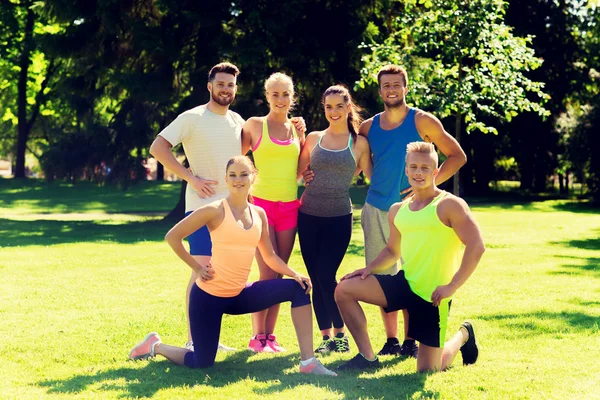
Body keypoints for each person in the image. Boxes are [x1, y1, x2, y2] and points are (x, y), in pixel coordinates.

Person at [129, 156, 336, 376]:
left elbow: (270, 256)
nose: (238, 180)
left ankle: (308, 363)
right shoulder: (215, 210)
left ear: (253, 177)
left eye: (244, 174)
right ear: (226, 180)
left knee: (299, 288)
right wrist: (197, 268)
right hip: (208, 297)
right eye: (233, 175)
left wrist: (295, 274)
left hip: (239, 294)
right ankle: (155, 345)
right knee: (202, 362)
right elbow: (173, 237)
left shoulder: (259, 214)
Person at [149, 63, 305, 352]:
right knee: (203, 270)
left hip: (234, 213)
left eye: (231, 85)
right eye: (220, 84)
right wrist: (190, 177)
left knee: (223, 275)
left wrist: (297, 126)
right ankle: (194, 339)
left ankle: (210, 339)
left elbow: (256, 155)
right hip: (201, 208)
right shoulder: (192, 117)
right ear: (210, 86)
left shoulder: (237, 121)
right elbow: (158, 148)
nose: (226, 89)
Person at [334, 142, 484, 372]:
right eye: (413, 167)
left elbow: (477, 246)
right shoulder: (398, 210)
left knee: (429, 369)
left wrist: (451, 286)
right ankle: (367, 358)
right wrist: (369, 269)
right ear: (406, 170)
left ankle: (463, 335)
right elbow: (393, 250)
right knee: (344, 289)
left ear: (435, 172)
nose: (418, 172)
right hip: (405, 284)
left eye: (425, 168)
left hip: (433, 296)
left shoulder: (449, 205)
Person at [358, 64, 466, 358]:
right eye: (385, 85)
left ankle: (411, 340)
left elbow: (458, 156)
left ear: (405, 88)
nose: (391, 90)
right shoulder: (367, 127)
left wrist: (428, 184)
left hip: (416, 212)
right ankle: (391, 339)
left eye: (396, 84)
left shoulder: (423, 121)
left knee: (413, 274)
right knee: (383, 275)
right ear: (379, 90)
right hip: (377, 209)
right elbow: (349, 154)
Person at [296, 85, 372, 354]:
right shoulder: (313, 138)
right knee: (317, 277)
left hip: (339, 217)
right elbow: (298, 173)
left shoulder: (359, 143)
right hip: (307, 216)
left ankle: (341, 333)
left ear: (348, 107)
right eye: (328, 107)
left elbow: (371, 177)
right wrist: (303, 176)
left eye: (339, 106)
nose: (334, 111)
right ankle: (326, 337)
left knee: (327, 274)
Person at [242, 73, 304, 353]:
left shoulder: (297, 129)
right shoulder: (255, 125)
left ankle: (271, 337)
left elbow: (300, 169)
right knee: (267, 270)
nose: (281, 99)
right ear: (267, 96)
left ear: (293, 97)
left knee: (279, 273)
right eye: (275, 94)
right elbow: (237, 162)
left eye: (286, 94)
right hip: (261, 207)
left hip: (290, 206)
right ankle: (258, 337)